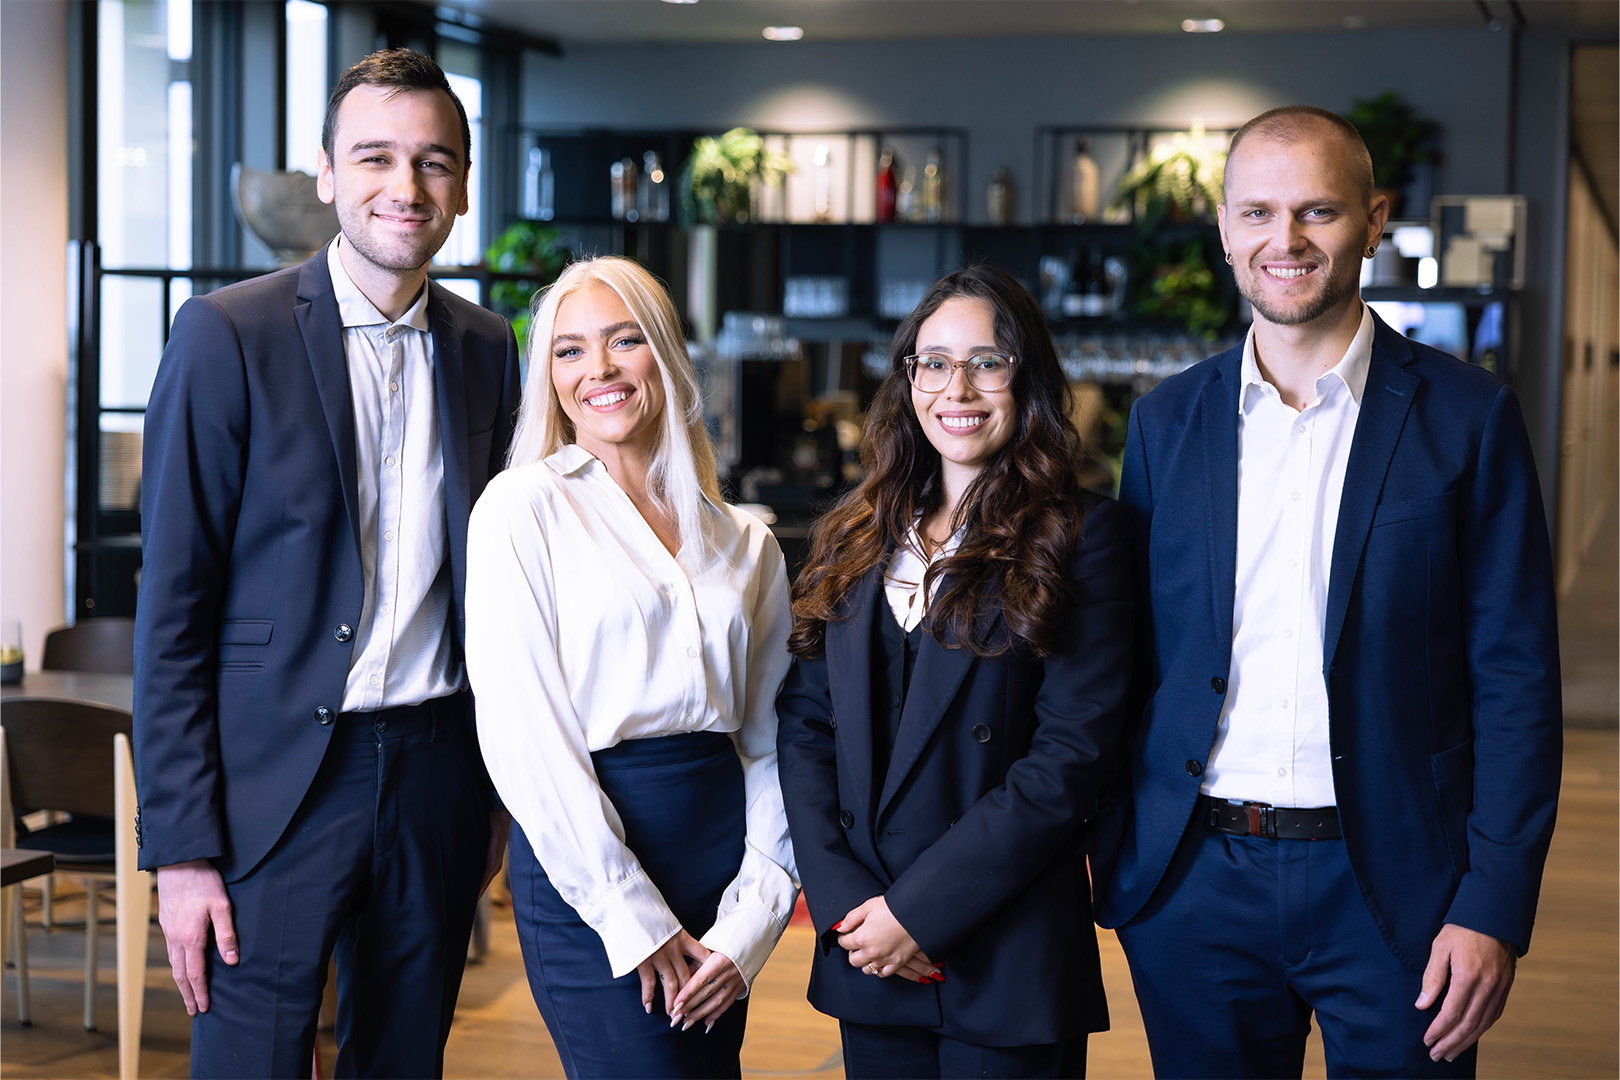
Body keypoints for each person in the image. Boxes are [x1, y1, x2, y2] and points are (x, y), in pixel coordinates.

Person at [1092, 105, 1562, 1078]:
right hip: (1194, 884)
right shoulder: (1165, 424)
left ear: (1375, 217)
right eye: (1258, 212)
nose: (1286, 240)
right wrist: (1122, 859)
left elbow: (1516, 680)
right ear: (1225, 229)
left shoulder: (1469, 419)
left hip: (1397, 884)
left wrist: (1493, 906)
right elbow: (1128, 657)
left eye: (1318, 211)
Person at [132, 49, 517, 1078]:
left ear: (465, 185)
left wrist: (492, 797)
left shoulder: (490, 349)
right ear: (327, 172)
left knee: (404, 1061)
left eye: (435, 162)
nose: (407, 187)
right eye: (376, 157)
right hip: (279, 785)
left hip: (438, 769)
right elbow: (172, 608)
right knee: (251, 1061)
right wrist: (179, 849)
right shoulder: (227, 335)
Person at [775, 265, 1134, 1079]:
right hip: (868, 948)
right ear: (907, 380)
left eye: (987, 361)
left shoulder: (1085, 536)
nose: (956, 387)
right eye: (933, 362)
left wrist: (920, 913)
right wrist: (846, 911)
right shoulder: (854, 532)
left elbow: (1070, 761)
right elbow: (804, 728)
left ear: (1027, 376)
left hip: (1003, 952)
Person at [463, 255, 799, 1079]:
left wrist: (753, 916)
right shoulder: (521, 509)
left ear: (666, 355)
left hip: (720, 865)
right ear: (547, 374)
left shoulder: (745, 540)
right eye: (569, 350)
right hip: (590, 866)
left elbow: (774, 743)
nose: (599, 370)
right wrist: (630, 914)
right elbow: (524, 737)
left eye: (624, 340)